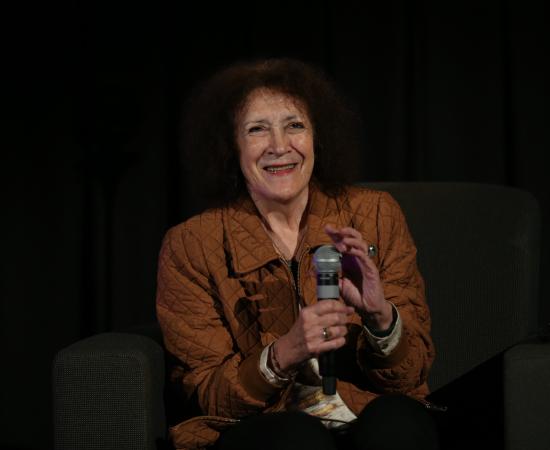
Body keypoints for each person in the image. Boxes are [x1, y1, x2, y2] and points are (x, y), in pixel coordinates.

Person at [156, 58, 438, 450]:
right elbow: (206, 394)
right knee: (297, 439)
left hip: (365, 411)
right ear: (230, 146)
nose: (279, 146)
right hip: (263, 426)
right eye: (257, 129)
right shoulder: (191, 245)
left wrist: (380, 317)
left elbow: (411, 377)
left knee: (398, 424)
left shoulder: (377, 214)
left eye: (294, 125)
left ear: (317, 137)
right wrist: (282, 354)